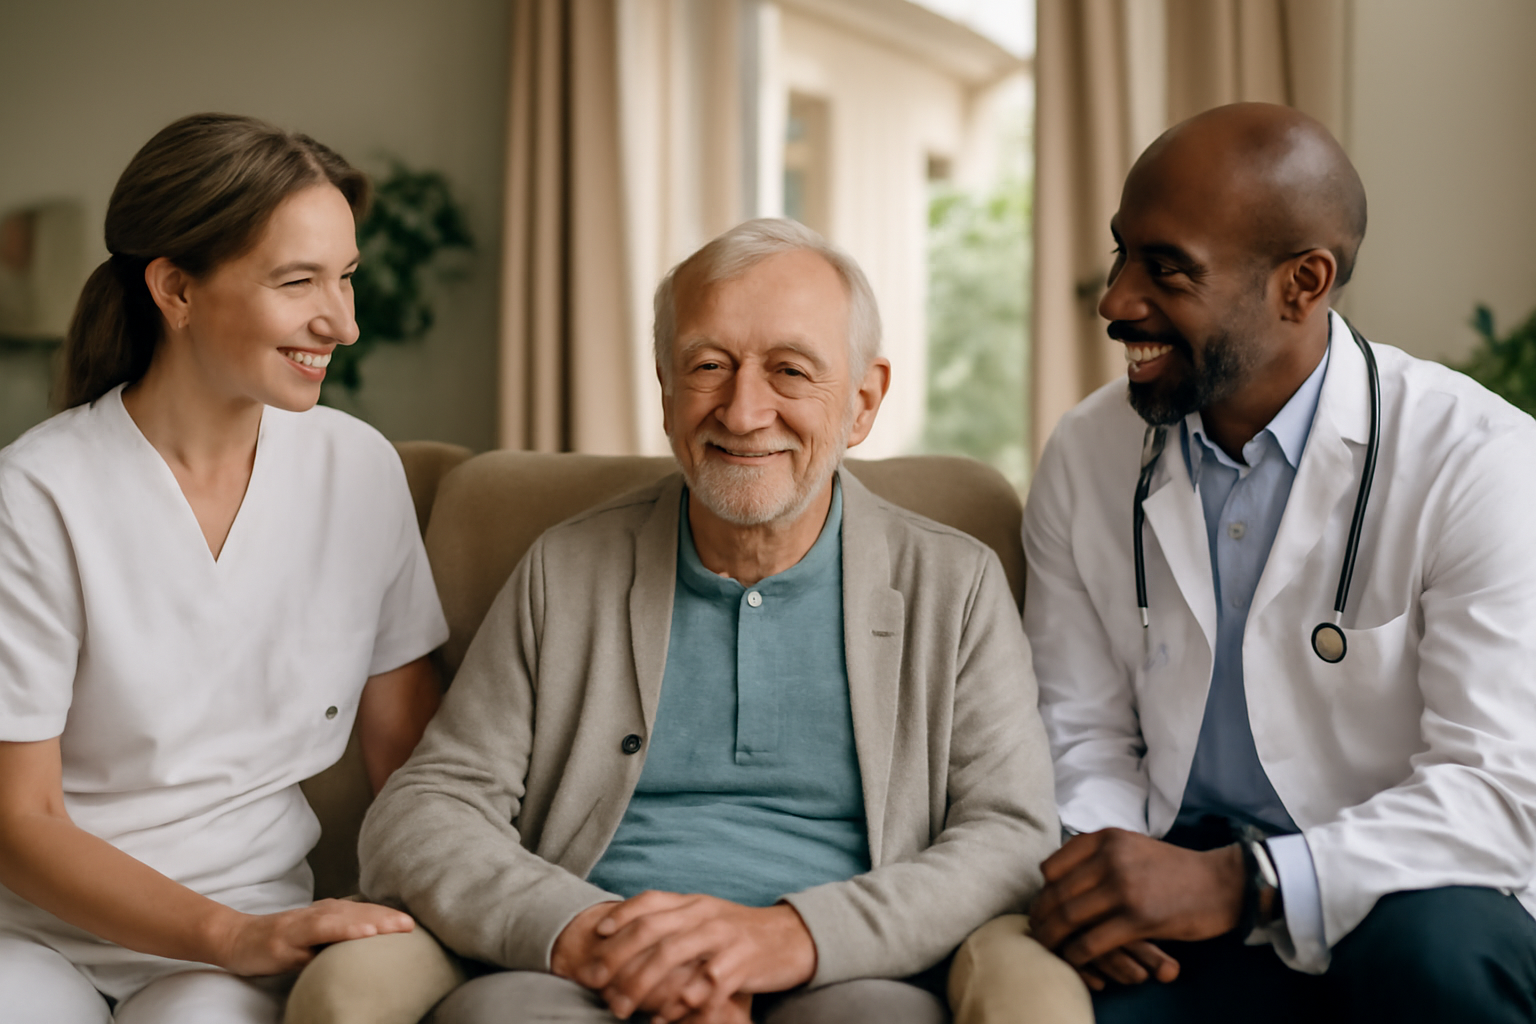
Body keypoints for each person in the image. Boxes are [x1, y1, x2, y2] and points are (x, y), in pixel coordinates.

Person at [356, 218, 1080, 1024]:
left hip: (846, 976)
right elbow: (422, 813)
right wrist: (590, 935)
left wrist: (790, 938)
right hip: (589, 973)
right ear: (666, 387)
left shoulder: (956, 584)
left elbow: (1011, 836)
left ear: (864, 400)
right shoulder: (564, 571)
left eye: (790, 371)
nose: (742, 412)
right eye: (709, 367)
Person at [973, 102, 1536, 1022]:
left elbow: (1499, 793)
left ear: (1302, 284)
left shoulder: (1481, 461)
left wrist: (1250, 883)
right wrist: (1118, 872)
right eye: (1121, 254)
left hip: (1398, 884)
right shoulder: (1089, 450)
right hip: (1176, 872)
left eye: (1167, 269)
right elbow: (1080, 730)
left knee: (1443, 960)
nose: (1116, 300)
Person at [0, 114, 450, 1023]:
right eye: (299, 282)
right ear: (175, 289)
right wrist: (226, 935)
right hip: (37, 932)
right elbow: (20, 822)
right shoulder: (36, 494)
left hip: (249, 934)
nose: (344, 323)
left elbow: (409, 754)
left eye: (346, 279)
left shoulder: (357, 472)